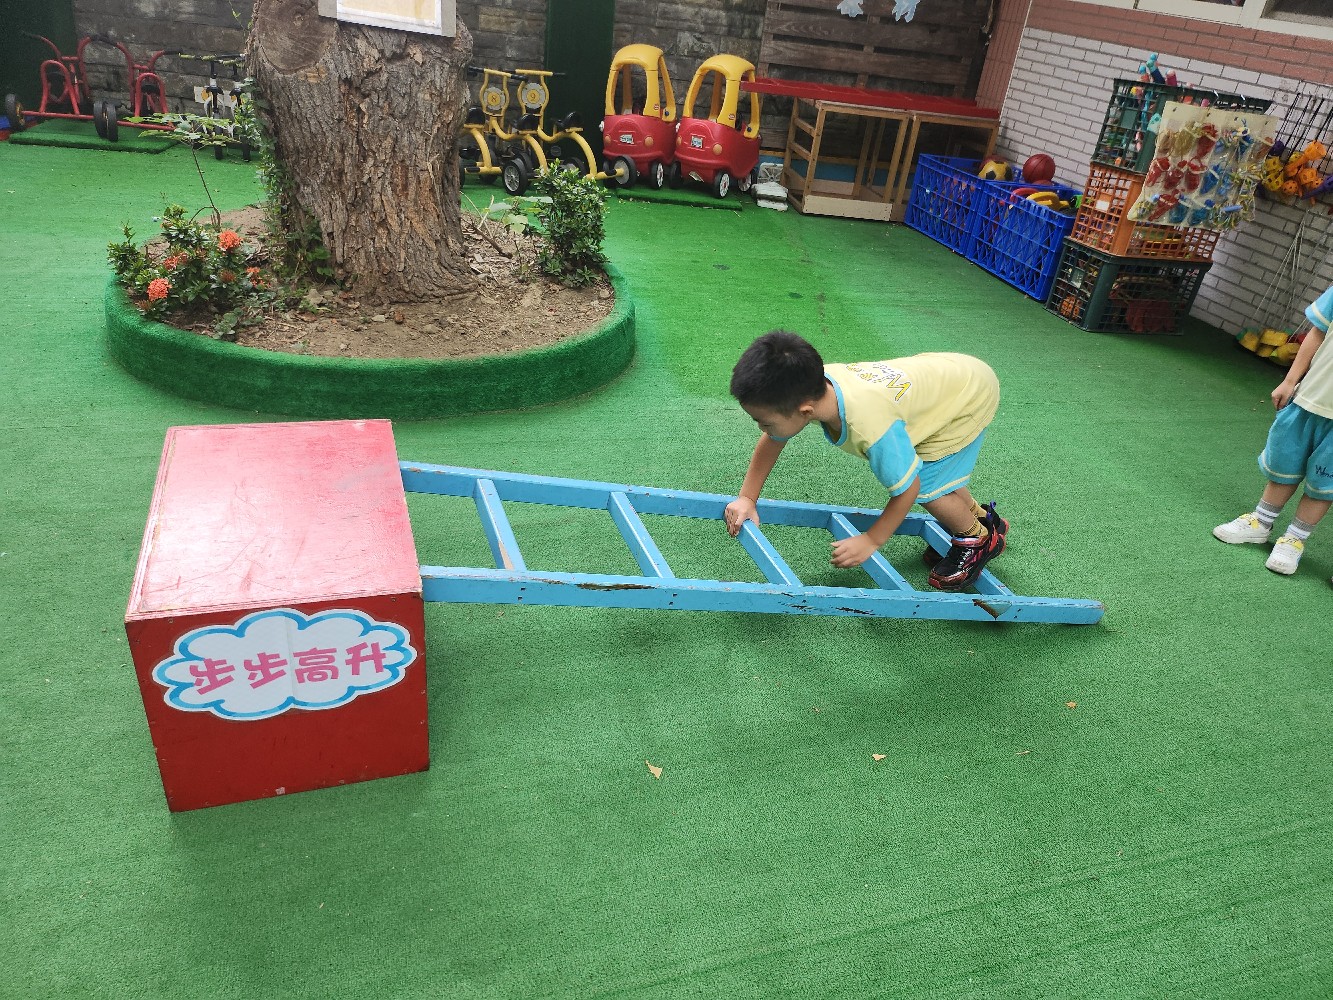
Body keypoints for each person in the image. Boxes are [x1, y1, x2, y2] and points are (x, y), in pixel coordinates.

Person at [724, 330, 1005, 592]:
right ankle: (981, 517)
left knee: (928, 481)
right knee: (933, 472)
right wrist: (747, 498)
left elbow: (909, 489)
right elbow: (774, 439)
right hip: (949, 375)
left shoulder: (870, 429)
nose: (762, 428)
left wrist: (871, 539)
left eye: (765, 422)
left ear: (806, 411)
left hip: (968, 395)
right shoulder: (813, 385)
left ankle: (977, 537)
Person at [1213, 284, 1333, 579]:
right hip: (1308, 401)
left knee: (1324, 484)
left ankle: (1294, 540)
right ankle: (1261, 522)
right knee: (1284, 464)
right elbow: (1317, 332)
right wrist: (1290, 380)